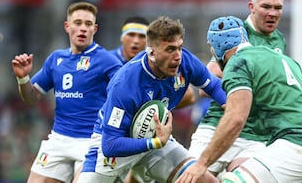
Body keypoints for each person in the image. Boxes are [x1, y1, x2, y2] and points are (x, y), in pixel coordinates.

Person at [176, 16, 302, 183]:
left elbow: (236, 119)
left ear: (217, 48)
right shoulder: (287, 61)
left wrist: (201, 163)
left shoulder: (238, 61)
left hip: (296, 149)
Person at [188, 0, 302, 177]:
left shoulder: (278, 39)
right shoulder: (235, 34)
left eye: (278, 8)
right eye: (266, 7)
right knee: (190, 177)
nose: (273, 13)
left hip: (257, 137)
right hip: (220, 127)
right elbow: (206, 82)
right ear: (251, 7)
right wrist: (239, 97)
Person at [77, 16, 226, 183]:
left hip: (156, 140)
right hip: (119, 145)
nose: (177, 56)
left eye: (180, 47)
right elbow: (110, 144)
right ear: (152, 52)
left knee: (206, 181)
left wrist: (232, 105)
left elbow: (213, 86)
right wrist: (153, 142)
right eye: (170, 49)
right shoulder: (125, 83)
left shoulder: (185, 62)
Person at [11, 1, 122, 183]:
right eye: (77, 23)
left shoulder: (107, 61)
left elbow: (126, 91)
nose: (83, 29)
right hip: (59, 139)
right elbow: (31, 98)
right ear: (67, 26)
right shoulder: (56, 59)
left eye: (88, 24)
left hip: (92, 142)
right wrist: (23, 78)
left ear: (95, 29)